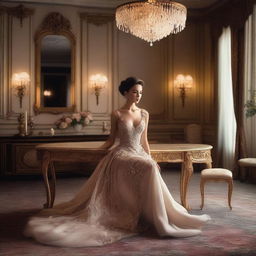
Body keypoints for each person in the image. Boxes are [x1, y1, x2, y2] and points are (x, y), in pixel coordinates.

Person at [25, 77, 210, 247]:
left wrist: (150, 157)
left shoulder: (144, 113)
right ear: (126, 92)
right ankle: (155, 218)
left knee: (150, 165)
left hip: (139, 153)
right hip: (122, 154)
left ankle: (154, 215)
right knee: (148, 166)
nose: (138, 96)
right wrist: (97, 151)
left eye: (140, 93)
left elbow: (144, 140)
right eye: (135, 92)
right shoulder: (117, 114)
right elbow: (111, 140)